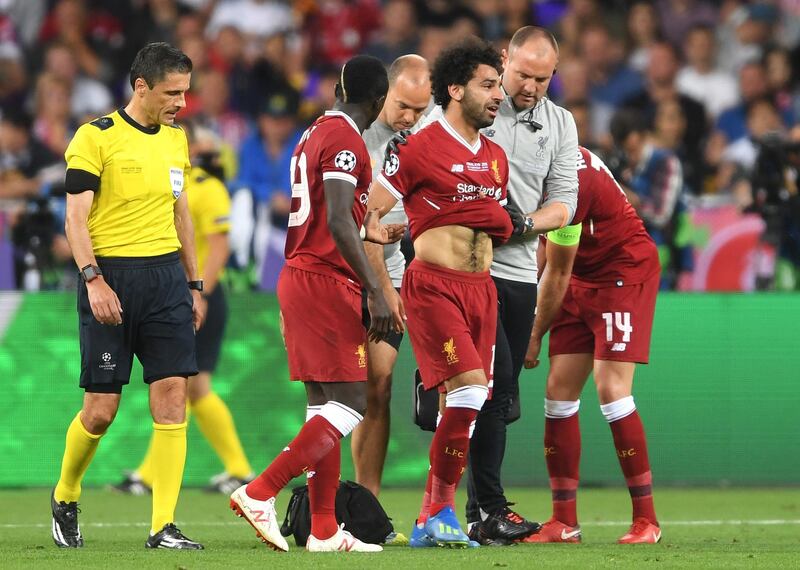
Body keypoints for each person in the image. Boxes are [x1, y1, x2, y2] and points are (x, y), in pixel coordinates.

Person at [389, 27, 579, 545]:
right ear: (503, 62)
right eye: (519, 76)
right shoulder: (439, 122)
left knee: (495, 399)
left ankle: (461, 511)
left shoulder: (559, 125)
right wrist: (389, 260)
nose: (527, 88)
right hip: (445, 276)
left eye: (543, 79)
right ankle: (473, 509)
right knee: (467, 393)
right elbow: (390, 187)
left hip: (512, 274)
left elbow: (567, 205)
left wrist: (521, 224)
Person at [228, 55, 404, 554]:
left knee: (322, 408)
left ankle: (324, 528)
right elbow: (337, 219)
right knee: (351, 402)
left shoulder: (312, 133)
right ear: (377, 101)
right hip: (327, 280)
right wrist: (375, 288)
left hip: (303, 274)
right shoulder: (347, 139)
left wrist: (368, 227)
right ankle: (260, 491)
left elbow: (336, 211)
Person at [51, 42, 205, 550]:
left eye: (185, 92)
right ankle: (66, 494)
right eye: (172, 92)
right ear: (141, 87)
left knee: (173, 399)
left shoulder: (176, 141)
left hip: (165, 280)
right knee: (101, 409)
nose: (181, 102)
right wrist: (93, 278)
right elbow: (75, 219)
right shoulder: (94, 138)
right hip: (111, 277)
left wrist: (195, 282)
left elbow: (181, 212)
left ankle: (163, 526)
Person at [368, 38, 520, 548]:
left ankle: (429, 521)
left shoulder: (495, 157)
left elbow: (492, 222)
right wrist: (379, 245)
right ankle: (439, 511)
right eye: (488, 85)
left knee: (470, 402)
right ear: (455, 89)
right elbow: (366, 209)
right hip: (435, 289)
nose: (499, 95)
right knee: (473, 391)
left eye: (499, 85)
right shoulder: (415, 147)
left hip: (483, 291)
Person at [522, 146, 662, 544]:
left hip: (622, 273)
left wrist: (534, 334)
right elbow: (545, 251)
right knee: (558, 392)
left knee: (611, 390)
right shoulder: (537, 166)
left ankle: (646, 520)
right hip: (579, 276)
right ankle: (564, 521)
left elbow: (557, 268)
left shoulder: (571, 180)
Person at [114, 123, 254, 496]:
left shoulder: (207, 188)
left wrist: (201, 292)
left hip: (197, 295)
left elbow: (219, 246)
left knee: (186, 384)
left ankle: (158, 475)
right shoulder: (166, 183)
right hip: (170, 294)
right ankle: (227, 470)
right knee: (180, 386)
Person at [352, 54, 431, 499]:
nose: (410, 118)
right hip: (350, 275)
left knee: (378, 384)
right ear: (383, 94)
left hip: (398, 271)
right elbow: (360, 226)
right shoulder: (355, 137)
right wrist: (378, 291)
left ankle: (369, 504)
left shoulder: (428, 134)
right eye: (403, 106)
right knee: (342, 394)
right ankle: (329, 501)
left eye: (420, 110)